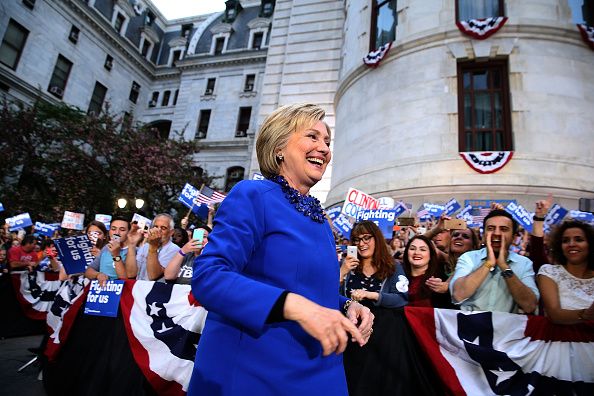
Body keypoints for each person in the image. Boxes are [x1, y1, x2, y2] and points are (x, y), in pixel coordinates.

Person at [188, 103, 373, 395]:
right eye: (312, 136)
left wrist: (348, 306)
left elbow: (305, 289)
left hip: (321, 371)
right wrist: (294, 307)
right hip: (256, 373)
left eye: (327, 141)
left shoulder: (321, 220)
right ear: (279, 147)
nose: (323, 148)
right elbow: (208, 278)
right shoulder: (252, 195)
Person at [340, 221, 408, 395]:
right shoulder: (348, 267)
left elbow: (402, 299)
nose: (361, 244)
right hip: (354, 338)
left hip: (384, 339)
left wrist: (372, 295)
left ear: (376, 238)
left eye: (366, 238)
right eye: (356, 240)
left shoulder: (393, 267)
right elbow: (328, 295)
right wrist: (342, 271)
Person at [450, 210, 539, 313]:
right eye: (491, 228)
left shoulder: (524, 263)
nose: (496, 233)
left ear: (514, 238)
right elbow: (458, 295)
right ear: (483, 235)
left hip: (506, 328)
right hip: (471, 325)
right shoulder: (468, 258)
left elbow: (530, 305)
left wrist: (504, 267)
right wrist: (488, 263)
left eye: (504, 229)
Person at [537, 220, 594, 324]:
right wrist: (585, 314)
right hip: (560, 337)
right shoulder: (549, 272)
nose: (571, 244)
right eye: (565, 240)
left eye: (579, 239)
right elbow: (555, 315)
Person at [125, 213, 179, 281]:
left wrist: (153, 246)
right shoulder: (146, 246)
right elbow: (130, 274)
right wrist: (131, 245)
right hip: (138, 289)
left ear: (171, 232)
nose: (158, 231)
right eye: (156, 227)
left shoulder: (174, 249)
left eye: (163, 228)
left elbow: (153, 276)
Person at [402, 235, 451, 308]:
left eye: (422, 249)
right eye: (412, 249)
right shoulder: (397, 275)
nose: (416, 252)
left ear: (431, 255)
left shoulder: (440, 280)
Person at [85, 217, 130, 285]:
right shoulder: (106, 248)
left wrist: (116, 255)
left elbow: (125, 279)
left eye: (122, 230)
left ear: (129, 233)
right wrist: (98, 275)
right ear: (109, 232)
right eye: (113, 229)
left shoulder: (133, 251)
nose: (117, 233)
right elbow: (89, 271)